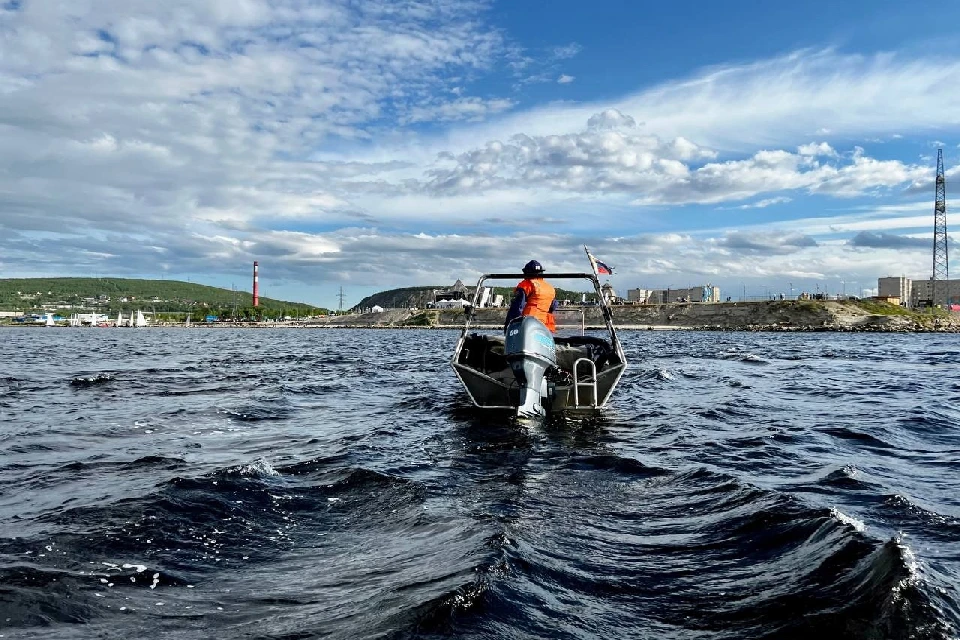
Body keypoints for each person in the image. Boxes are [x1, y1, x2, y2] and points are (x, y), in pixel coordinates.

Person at [504, 260, 558, 333]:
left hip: (529, 325)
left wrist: (508, 327)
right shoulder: (550, 288)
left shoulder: (527, 285)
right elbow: (553, 306)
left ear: (526, 273)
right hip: (545, 327)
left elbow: (517, 308)